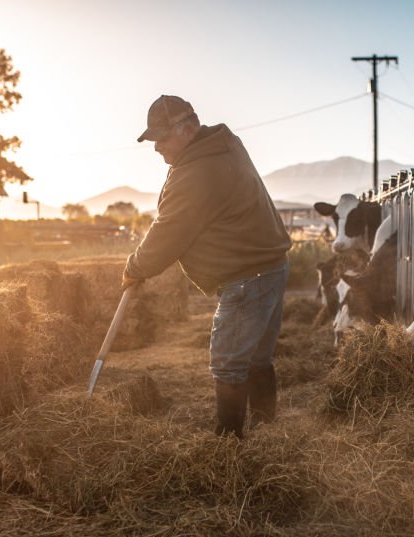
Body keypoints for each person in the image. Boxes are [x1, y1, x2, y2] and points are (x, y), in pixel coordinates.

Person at [122, 95, 291, 438]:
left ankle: (228, 444)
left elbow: (168, 232)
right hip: (270, 265)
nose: (157, 147)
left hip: (247, 275)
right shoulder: (224, 145)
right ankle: (267, 432)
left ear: (189, 129)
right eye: (153, 139)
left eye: (163, 137)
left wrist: (135, 267)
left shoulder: (196, 171)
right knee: (257, 356)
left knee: (228, 361)